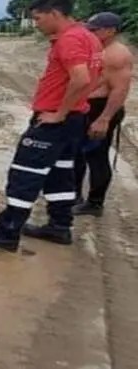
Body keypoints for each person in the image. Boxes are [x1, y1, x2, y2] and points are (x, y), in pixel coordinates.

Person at [0, 0, 101, 251]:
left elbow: (81, 79)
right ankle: (59, 226)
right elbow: (92, 77)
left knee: (25, 174)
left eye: (38, 18)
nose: (36, 24)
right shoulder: (88, 36)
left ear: (55, 13)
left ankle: (6, 232)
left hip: (55, 121)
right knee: (61, 174)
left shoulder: (70, 39)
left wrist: (59, 113)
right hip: (75, 118)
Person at [73, 12, 134, 217]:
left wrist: (104, 118)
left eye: (95, 29)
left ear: (110, 31)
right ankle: (75, 195)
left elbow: (120, 89)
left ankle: (95, 203)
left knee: (96, 156)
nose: (90, 32)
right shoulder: (99, 49)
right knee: (78, 152)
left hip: (101, 107)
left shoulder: (117, 54)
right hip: (88, 106)